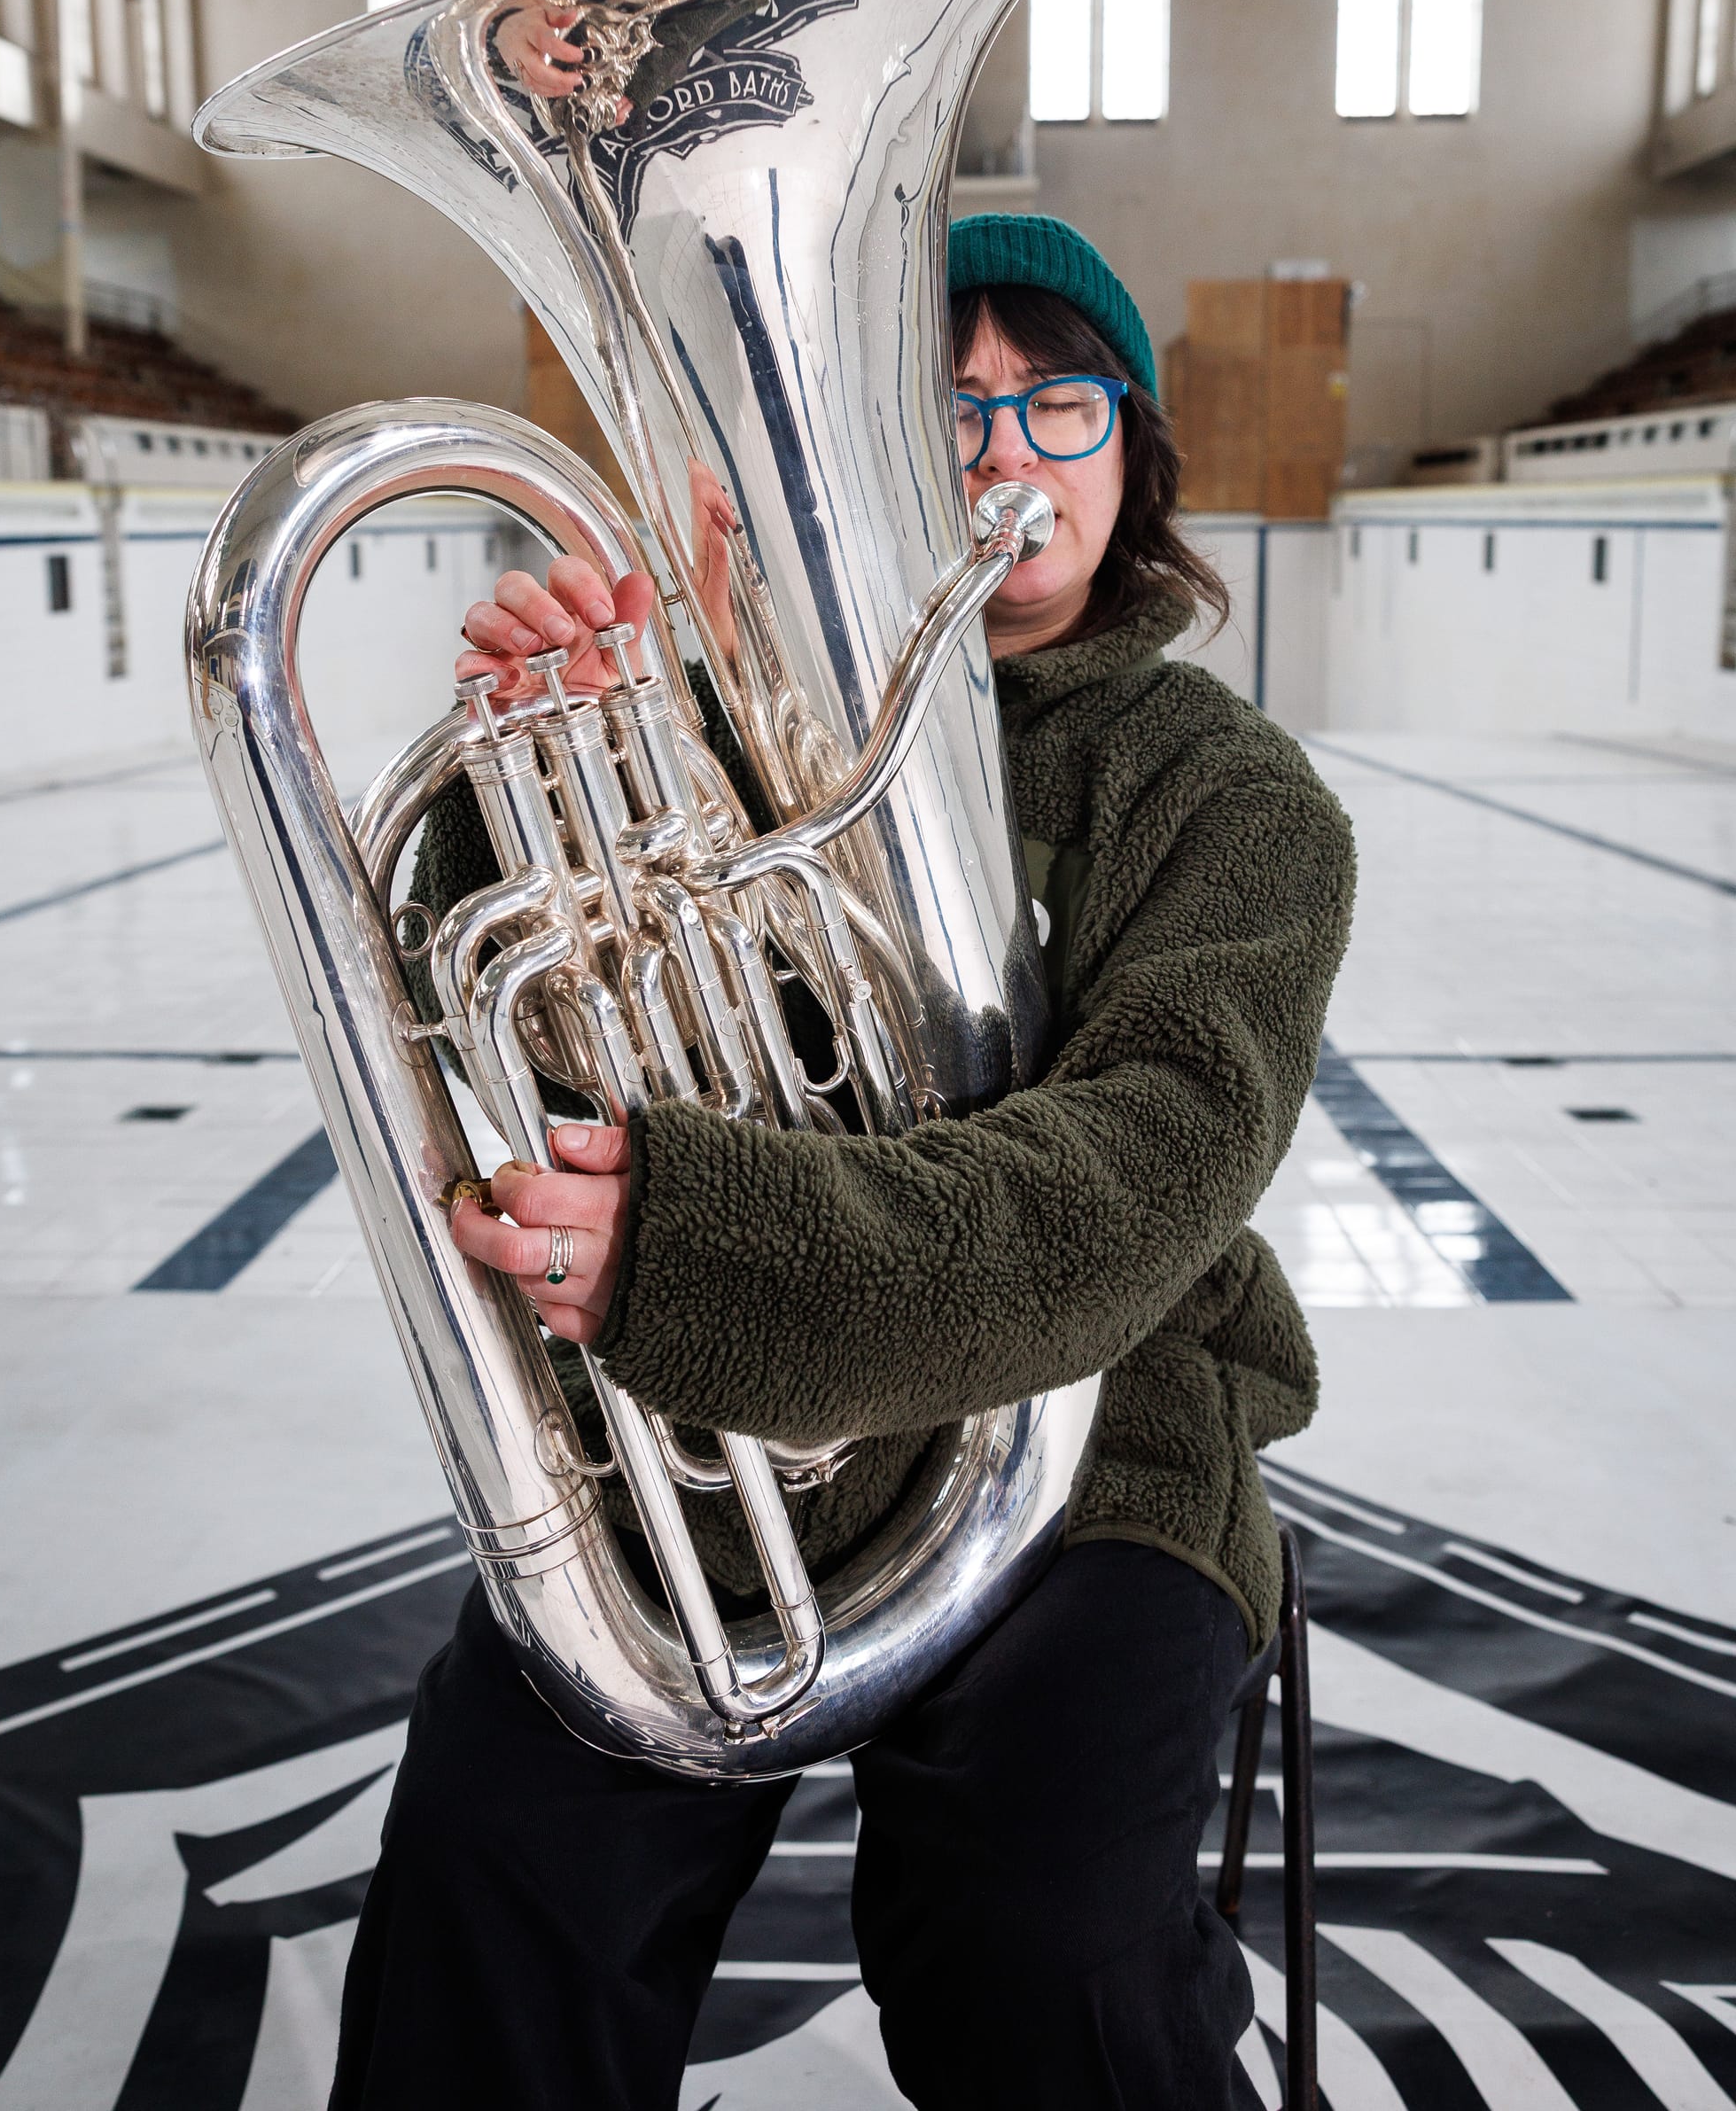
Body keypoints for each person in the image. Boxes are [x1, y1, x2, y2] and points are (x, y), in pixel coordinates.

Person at [330, 209, 1356, 2111]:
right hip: (724, 1441)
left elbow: (1141, 1178)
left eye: (1058, 403)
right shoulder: (710, 727)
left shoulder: (1226, 797)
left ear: (1133, 461)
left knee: (1042, 1938)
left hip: (1099, 1442)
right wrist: (527, 772)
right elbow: (512, 1012)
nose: (999, 455)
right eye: (940, 409)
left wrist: (711, 1255)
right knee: (497, 1874)